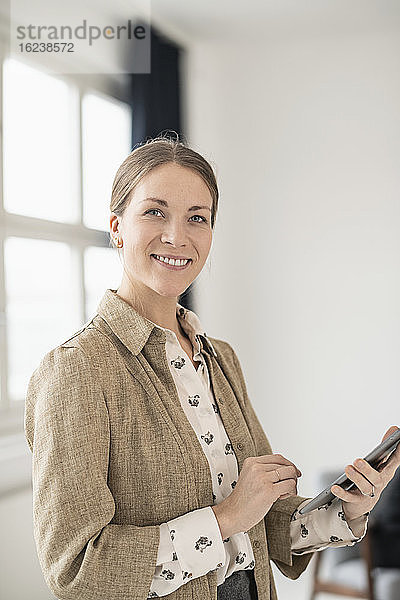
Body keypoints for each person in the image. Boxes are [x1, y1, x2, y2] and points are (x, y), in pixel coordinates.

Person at [24, 136, 400, 600]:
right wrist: (224, 519)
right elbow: (77, 570)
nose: (177, 237)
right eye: (155, 212)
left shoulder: (220, 357)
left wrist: (349, 510)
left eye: (197, 218)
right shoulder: (77, 371)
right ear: (117, 227)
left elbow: (267, 521)